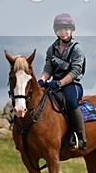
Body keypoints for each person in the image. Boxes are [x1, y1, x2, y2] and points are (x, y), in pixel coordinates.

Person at [38, 12, 88, 150]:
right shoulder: (51, 49)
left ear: (72, 30)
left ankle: (81, 137)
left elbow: (75, 71)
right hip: (54, 84)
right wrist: (42, 80)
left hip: (72, 84)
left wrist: (59, 83)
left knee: (71, 101)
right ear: (56, 31)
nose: (63, 32)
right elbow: (48, 68)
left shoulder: (76, 48)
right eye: (60, 29)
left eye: (66, 29)